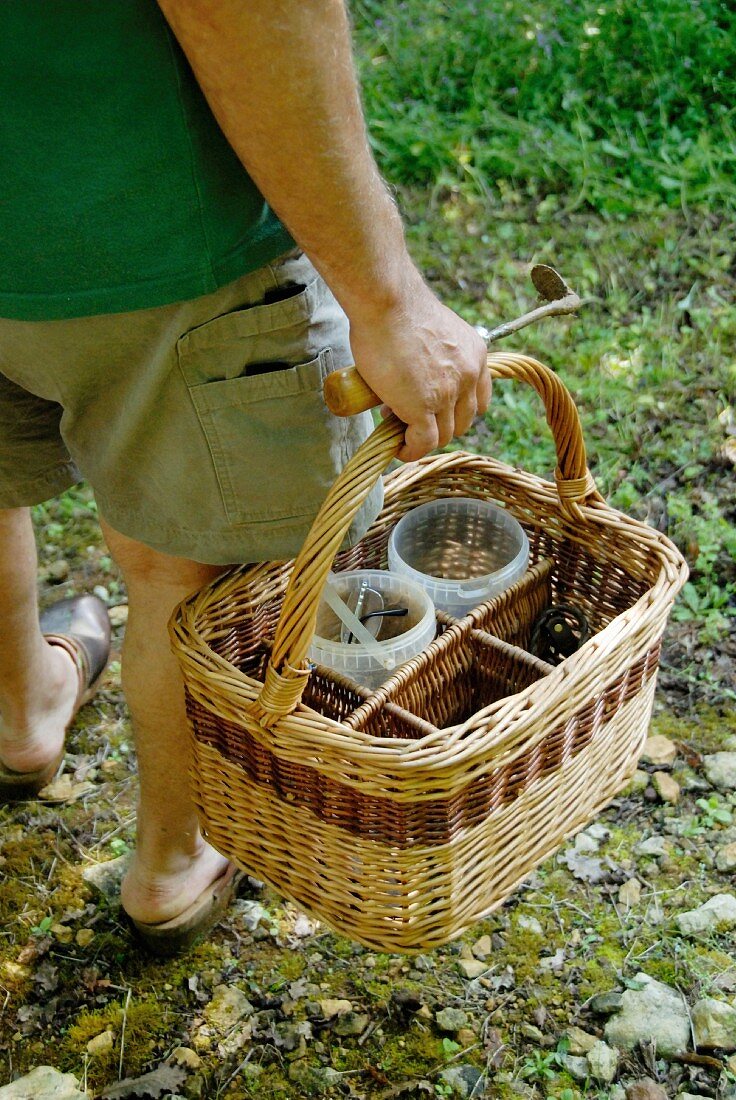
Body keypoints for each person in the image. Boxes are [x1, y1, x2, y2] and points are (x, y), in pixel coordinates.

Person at [0, 0, 490, 951]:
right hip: (144, 225)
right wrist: (388, 299)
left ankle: (22, 710)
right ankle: (173, 865)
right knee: (181, 572)